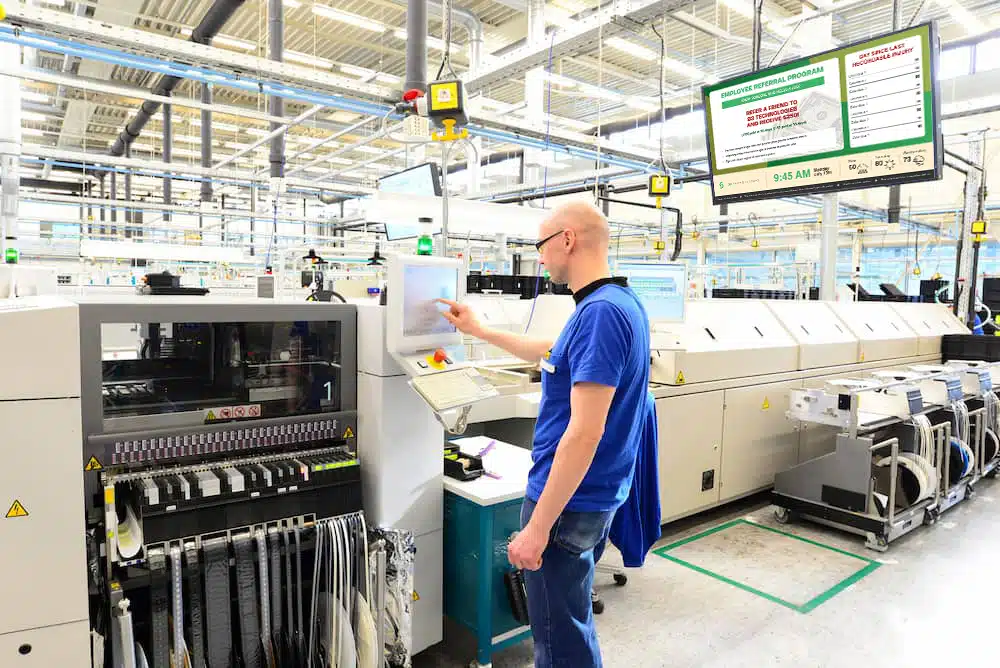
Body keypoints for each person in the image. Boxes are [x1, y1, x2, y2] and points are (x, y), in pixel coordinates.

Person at [438, 201, 651, 667]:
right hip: (588, 498)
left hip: (568, 505)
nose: (539, 257)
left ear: (567, 240)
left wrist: (536, 529)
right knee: (570, 621)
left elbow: (584, 433)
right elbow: (550, 351)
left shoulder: (600, 314)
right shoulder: (612, 303)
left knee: (556, 638)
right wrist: (479, 330)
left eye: (541, 246)